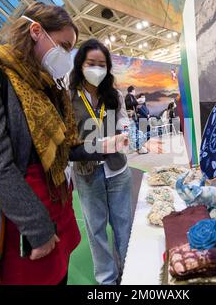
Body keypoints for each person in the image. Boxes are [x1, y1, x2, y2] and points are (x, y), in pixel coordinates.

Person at [0, 2, 126, 285]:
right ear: (36, 31)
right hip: (27, 218)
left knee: (61, 277)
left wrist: (102, 146)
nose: (66, 56)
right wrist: (38, 228)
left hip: (59, 207)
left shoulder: (48, 86)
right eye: (63, 45)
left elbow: (65, 148)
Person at [69, 39, 162, 285]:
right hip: (87, 173)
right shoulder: (68, 98)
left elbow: (123, 121)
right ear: (80, 65)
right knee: (96, 229)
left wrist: (136, 137)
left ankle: (130, 273)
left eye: (102, 64)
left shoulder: (114, 95)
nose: (97, 69)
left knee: (124, 225)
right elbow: (68, 140)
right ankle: (107, 279)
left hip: (118, 170)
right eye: (91, 63)